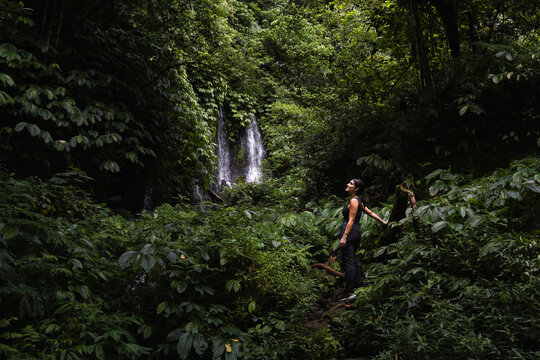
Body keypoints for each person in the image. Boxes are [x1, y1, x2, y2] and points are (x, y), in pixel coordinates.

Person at [338, 178, 387, 301]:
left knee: (348, 262)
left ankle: (349, 292)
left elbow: (351, 220)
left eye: (351, 184)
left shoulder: (354, 201)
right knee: (353, 260)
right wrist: (383, 222)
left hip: (350, 232)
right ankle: (357, 287)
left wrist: (344, 236)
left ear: (356, 189)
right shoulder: (358, 201)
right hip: (356, 232)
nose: (348, 184)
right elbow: (370, 213)